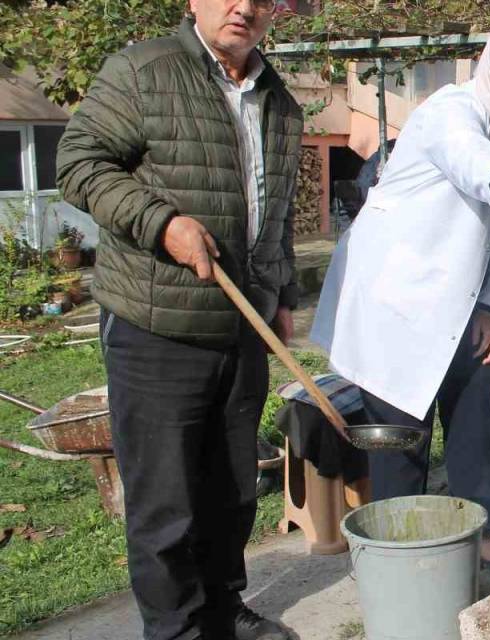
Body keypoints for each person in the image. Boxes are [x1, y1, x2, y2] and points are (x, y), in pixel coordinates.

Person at [55, 1, 300, 638]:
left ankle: (222, 609)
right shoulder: (144, 71)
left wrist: (282, 291)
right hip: (156, 323)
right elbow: (79, 164)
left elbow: (273, 210)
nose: (243, 7)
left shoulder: (279, 101)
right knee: (166, 501)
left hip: (242, 327)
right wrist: (162, 223)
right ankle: (176, 629)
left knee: (232, 490)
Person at [309, 10, 490, 576]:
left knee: (473, 412)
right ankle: (402, 556)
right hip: (397, 299)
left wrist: (489, 306)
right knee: (403, 436)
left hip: (459, 299)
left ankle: (478, 531)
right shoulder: (451, 110)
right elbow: (468, 159)